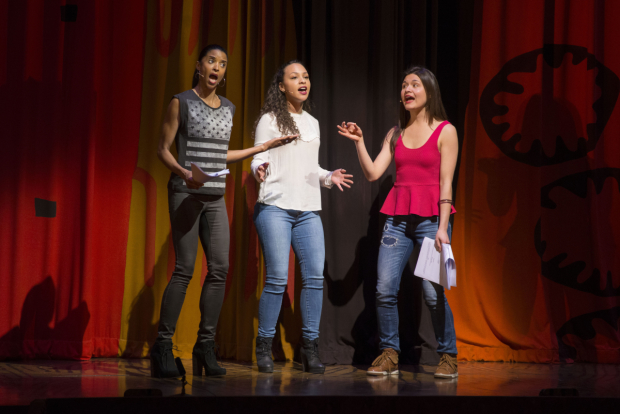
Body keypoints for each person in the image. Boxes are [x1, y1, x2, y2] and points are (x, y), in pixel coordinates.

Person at [151, 44, 296, 378]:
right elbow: (162, 149)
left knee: (220, 268)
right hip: (186, 192)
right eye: (211, 61)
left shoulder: (228, 108)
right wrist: (184, 172)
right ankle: (162, 346)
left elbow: (221, 156)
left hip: (215, 196)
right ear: (199, 67)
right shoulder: (181, 101)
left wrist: (261, 148)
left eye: (223, 64)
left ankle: (205, 346)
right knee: (185, 269)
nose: (217, 67)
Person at [337, 66, 459, 378]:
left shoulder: (446, 131)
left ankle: (448, 355)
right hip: (397, 221)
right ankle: (389, 352)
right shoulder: (396, 135)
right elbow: (373, 173)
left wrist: (444, 229)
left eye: (414, 84)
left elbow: (447, 185)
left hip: (432, 221)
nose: (407, 89)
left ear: (428, 91)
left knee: (433, 293)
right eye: (404, 85)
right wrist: (359, 141)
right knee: (384, 289)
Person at [251, 60, 353, 374]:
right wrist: (259, 169)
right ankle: (264, 346)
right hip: (275, 207)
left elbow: (311, 168)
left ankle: (309, 348)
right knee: (277, 279)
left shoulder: (313, 122)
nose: (302, 81)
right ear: (281, 86)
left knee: (313, 280)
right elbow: (257, 157)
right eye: (294, 77)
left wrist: (328, 176)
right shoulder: (269, 120)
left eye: (306, 76)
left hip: (308, 210)